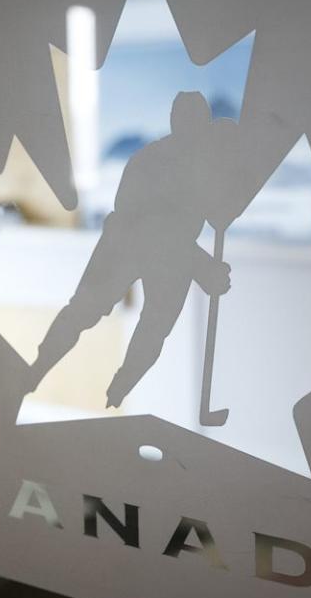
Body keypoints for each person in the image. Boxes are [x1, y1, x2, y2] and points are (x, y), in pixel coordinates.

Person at [27, 91, 234, 408]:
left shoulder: (204, 168)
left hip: (164, 249)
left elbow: (204, 217)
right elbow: (155, 229)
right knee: (84, 310)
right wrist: (204, 268)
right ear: (176, 122)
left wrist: (205, 264)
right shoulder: (150, 160)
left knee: (154, 326)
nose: (194, 129)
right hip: (126, 241)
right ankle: (39, 369)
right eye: (187, 120)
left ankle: (119, 390)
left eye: (198, 121)